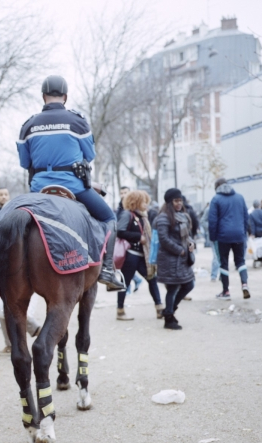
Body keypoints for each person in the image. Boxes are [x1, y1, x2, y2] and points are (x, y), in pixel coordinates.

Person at [16, 75, 124, 291]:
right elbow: (90, 155)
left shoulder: (28, 125)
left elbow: (24, 162)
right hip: (73, 187)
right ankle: (108, 271)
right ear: (65, 96)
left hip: (39, 190)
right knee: (110, 218)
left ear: (43, 96)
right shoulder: (77, 121)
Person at [115, 190, 163, 321]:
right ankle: (120, 311)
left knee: (152, 278)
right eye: (143, 201)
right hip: (131, 255)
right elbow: (119, 231)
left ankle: (159, 308)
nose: (146, 204)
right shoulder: (127, 214)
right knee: (125, 283)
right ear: (135, 202)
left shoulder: (143, 216)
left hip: (142, 255)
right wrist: (138, 237)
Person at [155, 188, 195, 330]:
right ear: (170, 202)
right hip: (170, 260)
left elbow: (187, 235)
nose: (179, 203)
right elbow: (164, 239)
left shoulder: (182, 216)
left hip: (182, 259)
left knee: (189, 285)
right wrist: (180, 250)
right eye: (176, 200)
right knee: (172, 289)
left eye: (180, 200)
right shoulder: (163, 217)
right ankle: (169, 318)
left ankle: (169, 310)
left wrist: (191, 244)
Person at [208, 177, 250, 300]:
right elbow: (245, 217)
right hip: (239, 235)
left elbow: (212, 220)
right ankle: (244, 284)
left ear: (217, 187)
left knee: (224, 263)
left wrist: (212, 237)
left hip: (223, 237)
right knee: (240, 261)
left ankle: (226, 292)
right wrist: (244, 232)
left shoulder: (216, 199)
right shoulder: (240, 197)